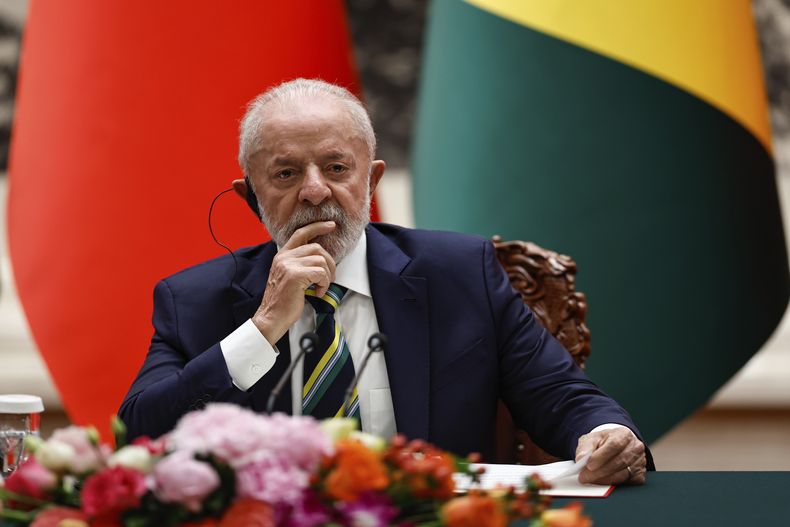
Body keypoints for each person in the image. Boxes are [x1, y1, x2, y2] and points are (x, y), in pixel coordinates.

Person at [119, 78, 650, 485]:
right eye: (285, 174)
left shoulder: (462, 274)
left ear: (370, 180)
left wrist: (606, 435)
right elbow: (139, 437)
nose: (313, 192)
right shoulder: (192, 300)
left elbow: (559, 393)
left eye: (336, 167)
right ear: (250, 196)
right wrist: (260, 329)